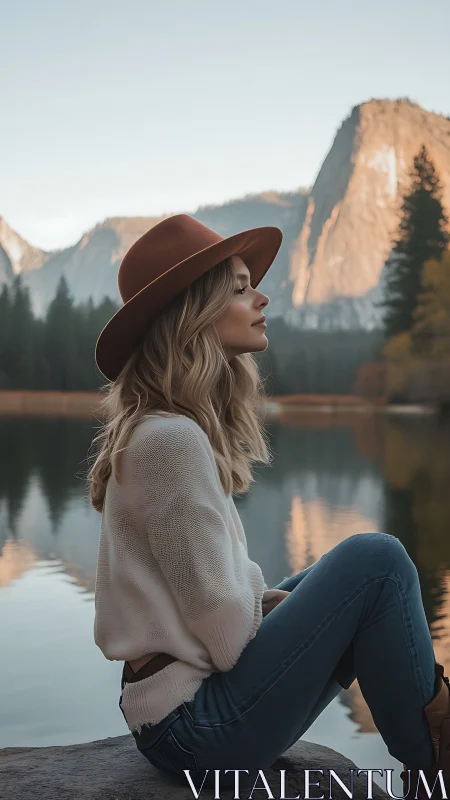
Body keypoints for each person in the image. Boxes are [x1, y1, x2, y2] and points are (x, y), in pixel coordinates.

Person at [87, 213, 450, 797]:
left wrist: (292, 602)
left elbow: (217, 611)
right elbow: (228, 635)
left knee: (346, 579)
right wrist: (285, 603)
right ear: (194, 314)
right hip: (197, 729)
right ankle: (436, 767)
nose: (261, 297)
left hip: (181, 721)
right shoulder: (170, 441)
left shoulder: (163, 431)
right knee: (376, 562)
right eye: (239, 288)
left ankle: (433, 757)